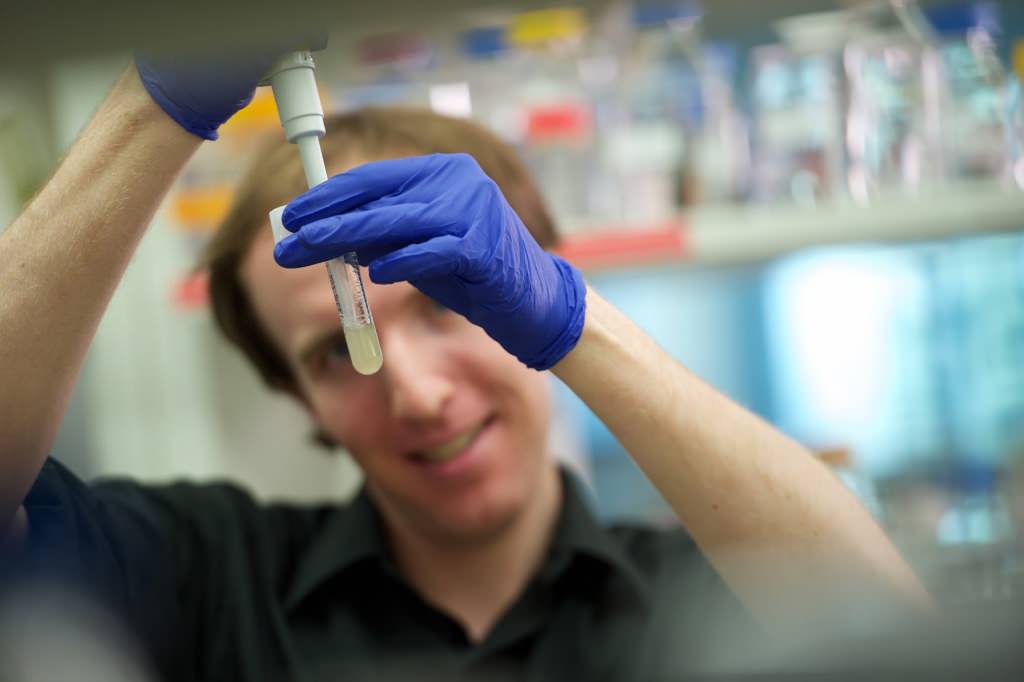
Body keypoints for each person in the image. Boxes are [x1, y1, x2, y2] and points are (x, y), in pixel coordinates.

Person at [0, 47, 932, 681]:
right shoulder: (209, 579)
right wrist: (153, 100)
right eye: (338, 350)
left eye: (449, 305)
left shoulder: (703, 594)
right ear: (297, 397)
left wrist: (575, 322)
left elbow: (905, 646)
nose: (415, 392)